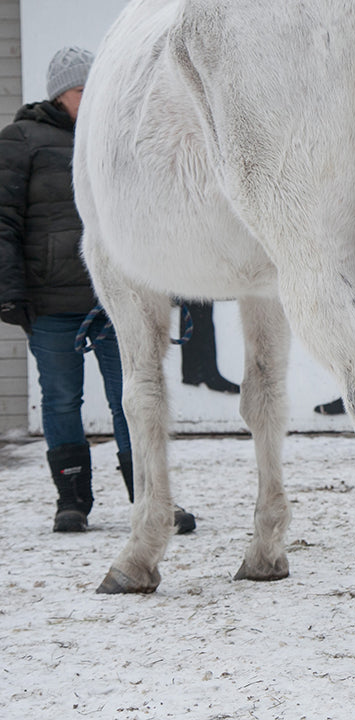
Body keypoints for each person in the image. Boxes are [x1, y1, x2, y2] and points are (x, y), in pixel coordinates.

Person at [0, 46, 195, 533]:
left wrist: (166, 276)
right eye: (82, 90)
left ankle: (150, 499)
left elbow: (149, 211)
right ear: (59, 95)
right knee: (61, 400)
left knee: (133, 395)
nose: (93, 99)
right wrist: (9, 290)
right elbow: (3, 220)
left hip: (120, 298)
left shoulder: (118, 135)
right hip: (51, 301)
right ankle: (72, 501)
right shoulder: (20, 141)